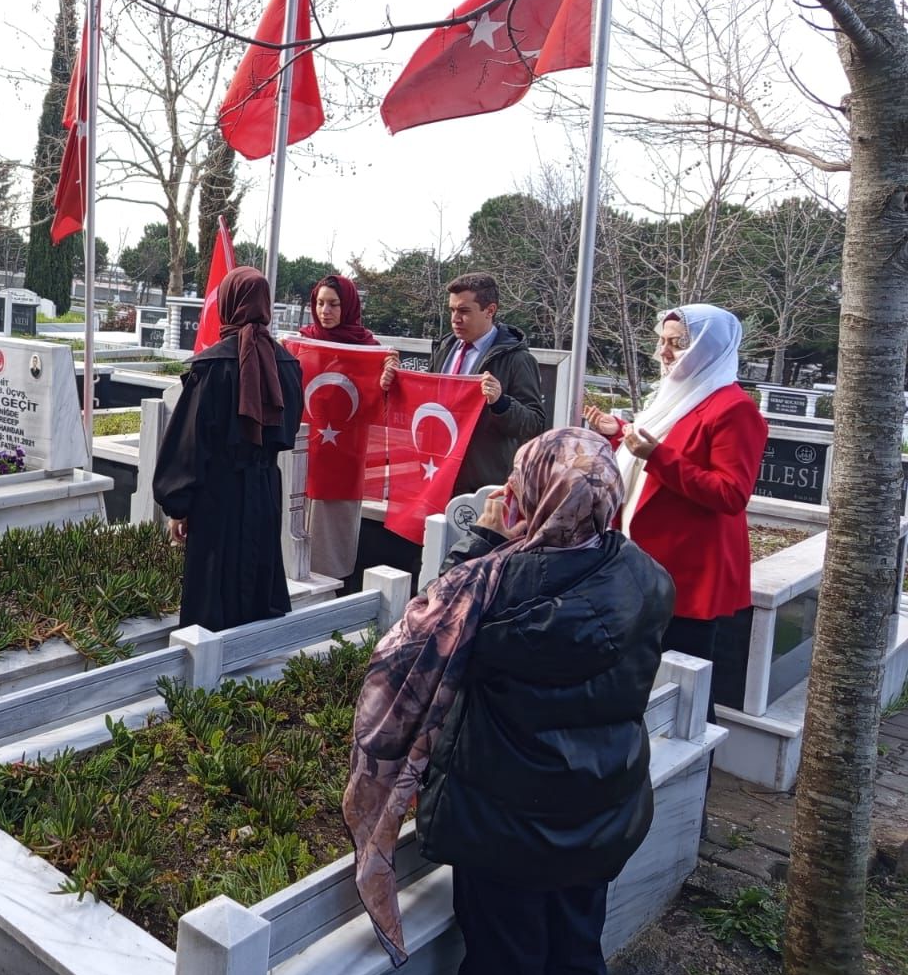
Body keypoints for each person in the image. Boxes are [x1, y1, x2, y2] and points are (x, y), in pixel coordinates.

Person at [344, 428, 673, 975]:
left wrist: (486, 539)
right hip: (601, 807)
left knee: (503, 957)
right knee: (576, 950)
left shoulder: (496, 586)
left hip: (507, 821)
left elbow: (431, 625)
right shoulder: (643, 575)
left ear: (541, 497)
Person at [584, 304, 767, 686]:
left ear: (708, 347)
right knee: (643, 681)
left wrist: (656, 457)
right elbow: (661, 446)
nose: (663, 352)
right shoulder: (680, 393)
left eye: (678, 343)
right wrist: (618, 431)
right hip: (645, 563)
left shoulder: (734, 408)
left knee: (684, 690)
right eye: (662, 341)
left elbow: (731, 494)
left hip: (687, 572)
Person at [153, 266, 305, 630]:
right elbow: (290, 426)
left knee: (214, 589)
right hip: (265, 489)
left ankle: (209, 676)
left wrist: (178, 506)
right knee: (256, 574)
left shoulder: (213, 367)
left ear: (229, 304)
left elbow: (190, 443)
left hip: (218, 493)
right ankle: (251, 664)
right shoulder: (287, 365)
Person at [380, 271, 545, 495]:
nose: (455, 319)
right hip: (435, 474)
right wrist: (395, 386)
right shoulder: (444, 348)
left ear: (490, 311)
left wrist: (501, 403)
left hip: (481, 486)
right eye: (452, 310)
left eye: (464, 311)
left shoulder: (517, 359)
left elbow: (535, 423)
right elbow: (428, 406)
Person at [300, 274, 381, 583]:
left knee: (330, 549)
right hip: (304, 455)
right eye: (320, 303)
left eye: (333, 304)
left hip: (342, 459)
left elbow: (374, 406)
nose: (325, 311)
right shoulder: (303, 342)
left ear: (348, 306)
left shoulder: (367, 349)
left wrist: (385, 379)